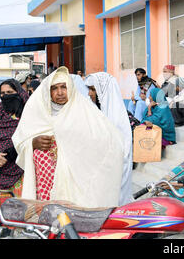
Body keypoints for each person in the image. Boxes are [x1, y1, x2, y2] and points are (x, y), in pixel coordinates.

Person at [12, 67, 125, 208]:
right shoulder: (37, 113)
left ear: (70, 88)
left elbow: (109, 140)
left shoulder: (85, 110)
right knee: (50, 221)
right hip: (47, 185)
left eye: (63, 87)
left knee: (74, 218)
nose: (60, 93)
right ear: (48, 91)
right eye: (54, 88)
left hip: (78, 183)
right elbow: (19, 141)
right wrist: (32, 143)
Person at [85, 72, 134, 206]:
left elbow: (119, 150)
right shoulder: (98, 111)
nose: (89, 94)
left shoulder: (116, 117)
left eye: (93, 90)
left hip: (114, 170)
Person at [0, 79, 27, 220]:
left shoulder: (29, 112)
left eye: (10, 92)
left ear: (19, 93)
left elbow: (34, 137)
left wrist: (12, 153)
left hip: (21, 172)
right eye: (2, 93)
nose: (6, 96)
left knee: (20, 218)